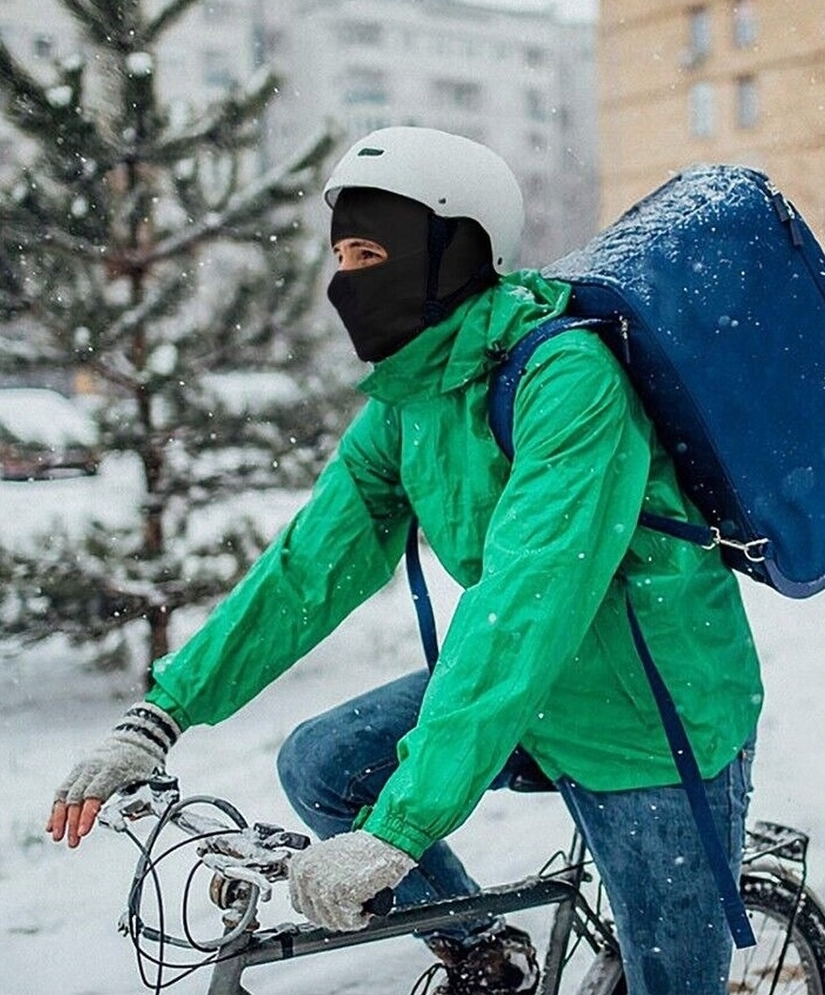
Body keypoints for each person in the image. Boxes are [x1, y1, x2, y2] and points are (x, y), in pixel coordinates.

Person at [47, 127, 763, 995]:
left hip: (650, 724)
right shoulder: (408, 401)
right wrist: (160, 713)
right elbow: (306, 571)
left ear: (452, 252)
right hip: (524, 693)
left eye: (371, 251)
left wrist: (404, 827)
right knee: (322, 765)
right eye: (341, 254)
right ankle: (483, 955)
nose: (347, 279)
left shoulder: (567, 377)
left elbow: (525, 601)